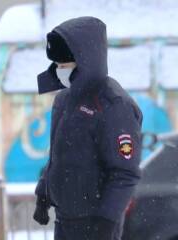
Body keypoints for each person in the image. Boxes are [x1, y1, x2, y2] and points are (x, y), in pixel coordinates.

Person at [33, 17, 143, 240]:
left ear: (84, 62)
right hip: (65, 220)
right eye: (57, 66)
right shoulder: (65, 100)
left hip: (95, 223)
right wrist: (43, 192)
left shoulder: (113, 104)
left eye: (65, 66)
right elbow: (58, 154)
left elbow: (125, 172)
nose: (59, 71)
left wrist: (107, 221)